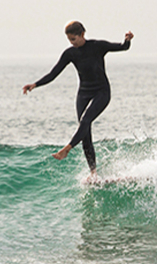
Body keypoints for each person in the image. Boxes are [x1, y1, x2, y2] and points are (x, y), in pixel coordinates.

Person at [22, 21, 133, 173]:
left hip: (102, 92)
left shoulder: (97, 46)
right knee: (85, 132)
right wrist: (35, 84)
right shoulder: (70, 54)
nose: (72, 43)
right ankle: (93, 172)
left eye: (74, 39)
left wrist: (127, 39)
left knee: (86, 120)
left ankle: (67, 148)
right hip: (83, 94)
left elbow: (122, 47)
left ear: (82, 34)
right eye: (69, 40)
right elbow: (53, 74)